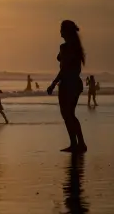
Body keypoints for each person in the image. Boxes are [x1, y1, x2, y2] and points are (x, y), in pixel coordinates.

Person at [47, 20, 87, 153]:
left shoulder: (66, 47)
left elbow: (63, 68)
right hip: (76, 83)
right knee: (71, 114)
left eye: (61, 29)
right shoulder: (76, 47)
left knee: (67, 115)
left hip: (68, 84)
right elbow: (63, 61)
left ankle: (75, 144)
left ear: (65, 31)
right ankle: (79, 143)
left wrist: (53, 84)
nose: (59, 31)